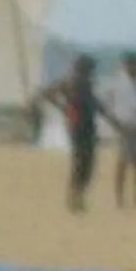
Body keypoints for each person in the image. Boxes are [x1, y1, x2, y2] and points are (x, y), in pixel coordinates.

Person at [33, 54, 103, 213]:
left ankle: (79, 195)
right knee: (81, 161)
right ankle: (75, 196)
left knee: (87, 163)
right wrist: (64, 108)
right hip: (77, 126)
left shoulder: (86, 84)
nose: (90, 72)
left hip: (88, 126)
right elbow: (47, 93)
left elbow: (96, 104)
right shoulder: (70, 82)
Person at [99, 50, 136, 208]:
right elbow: (103, 104)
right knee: (122, 163)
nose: (135, 67)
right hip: (124, 127)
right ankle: (120, 199)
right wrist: (114, 123)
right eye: (132, 64)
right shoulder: (116, 82)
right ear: (126, 65)